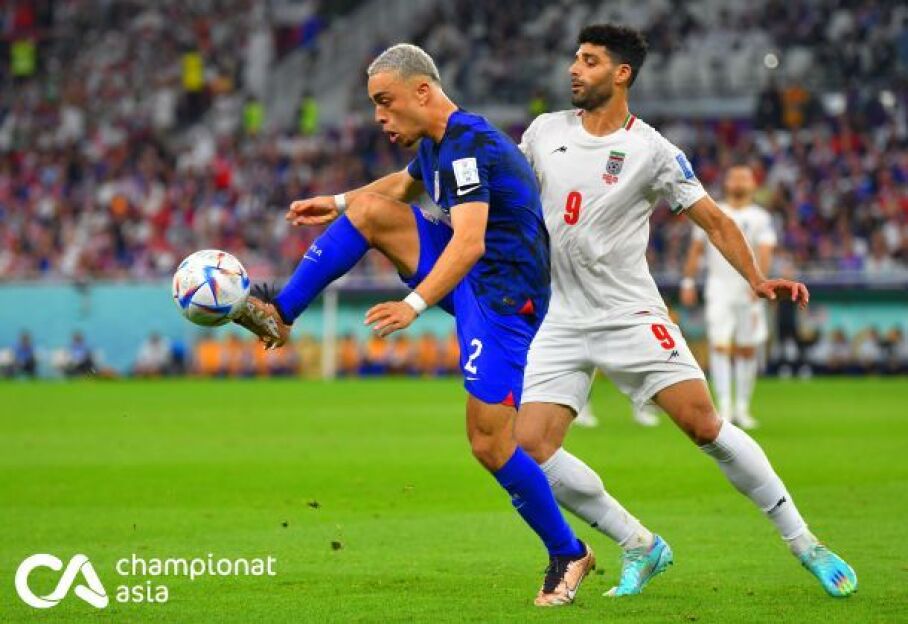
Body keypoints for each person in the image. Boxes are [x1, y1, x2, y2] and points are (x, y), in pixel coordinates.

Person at [232, 43, 593, 605]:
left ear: (422, 91)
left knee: (490, 444)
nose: (378, 116)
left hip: (503, 300)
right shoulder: (436, 144)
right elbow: (400, 189)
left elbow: (470, 242)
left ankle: (569, 552)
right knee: (371, 212)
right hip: (472, 279)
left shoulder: (469, 145)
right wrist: (337, 202)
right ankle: (280, 313)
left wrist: (414, 305)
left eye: (385, 101)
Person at [514, 24, 856, 599]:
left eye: (590, 60)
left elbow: (715, 221)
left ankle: (806, 544)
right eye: (576, 57)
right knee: (530, 449)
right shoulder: (543, 132)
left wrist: (756, 278)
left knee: (704, 425)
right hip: (562, 317)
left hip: (629, 314)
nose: (575, 68)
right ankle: (639, 544)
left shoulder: (652, 150)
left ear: (621, 74)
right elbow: (511, 200)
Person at [681, 164, 777, 429]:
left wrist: (759, 282)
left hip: (748, 289)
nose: (739, 182)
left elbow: (766, 251)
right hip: (719, 288)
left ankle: (742, 408)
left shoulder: (761, 217)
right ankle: (724, 406)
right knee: (720, 346)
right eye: (734, 177)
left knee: (747, 348)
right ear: (726, 183)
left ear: (753, 184)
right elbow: (696, 249)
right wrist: (688, 281)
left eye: (744, 177)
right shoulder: (713, 210)